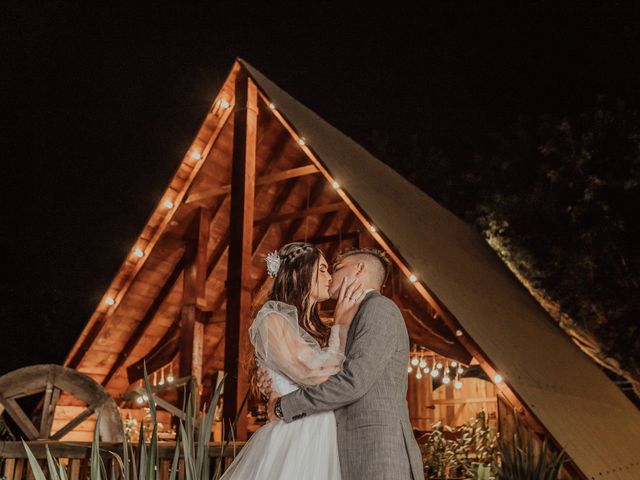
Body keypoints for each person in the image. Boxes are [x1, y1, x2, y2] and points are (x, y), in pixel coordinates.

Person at [267, 247, 424, 480]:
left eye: (337, 268)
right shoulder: (354, 316)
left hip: (378, 453)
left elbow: (353, 382)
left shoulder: (379, 309)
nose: (330, 276)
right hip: (348, 451)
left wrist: (284, 405)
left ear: (359, 269)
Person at [220, 242, 366, 480]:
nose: (329, 277)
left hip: (325, 434)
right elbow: (315, 375)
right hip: (296, 434)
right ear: (298, 273)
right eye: (322, 269)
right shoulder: (272, 318)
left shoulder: (317, 329)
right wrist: (341, 323)